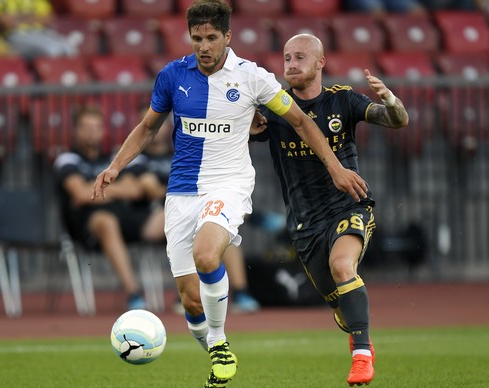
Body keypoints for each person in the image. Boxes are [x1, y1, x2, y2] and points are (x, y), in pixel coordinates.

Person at [91, 1, 368, 387]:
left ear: (227, 37)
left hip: (229, 184)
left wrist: (336, 167)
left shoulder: (252, 78)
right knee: (191, 301)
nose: (203, 46)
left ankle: (220, 343)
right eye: (196, 38)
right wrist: (115, 166)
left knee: (207, 255)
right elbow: (147, 127)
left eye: (211, 38)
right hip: (182, 192)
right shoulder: (172, 76)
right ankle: (215, 351)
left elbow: (301, 121)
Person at [251, 34, 409, 386]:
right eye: (287, 57)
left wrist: (392, 100)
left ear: (321, 62)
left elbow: (397, 120)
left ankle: (362, 355)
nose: (291, 64)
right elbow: (239, 133)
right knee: (341, 309)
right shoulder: (276, 110)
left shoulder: (343, 100)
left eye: (301, 57)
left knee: (342, 265)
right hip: (305, 224)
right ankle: (356, 329)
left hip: (349, 205)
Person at [142, 110, 262, 314]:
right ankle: (191, 293)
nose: (158, 127)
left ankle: (241, 292)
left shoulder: (182, 149)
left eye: (162, 123)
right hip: (153, 213)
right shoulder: (141, 158)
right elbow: (145, 187)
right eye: (154, 123)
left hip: (198, 205)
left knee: (223, 229)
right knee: (198, 220)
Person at [53, 104, 165, 311]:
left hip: (129, 219)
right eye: (86, 127)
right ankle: (134, 294)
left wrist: (96, 190)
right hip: (89, 227)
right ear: (76, 130)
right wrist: (119, 187)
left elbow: (137, 190)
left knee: (176, 216)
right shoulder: (68, 159)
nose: (91, 132)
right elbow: (80, 193)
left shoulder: (116, 157)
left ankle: (193, 294)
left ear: (103, 130)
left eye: (96, 127)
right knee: (106, 221)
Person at [0, 0, 76, 60]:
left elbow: (48, 18)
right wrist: (32, 17)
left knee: (70, 49)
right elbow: (4, 21)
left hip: (41, 33)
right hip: (16, 35)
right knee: (53, 49)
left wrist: (18, 18)